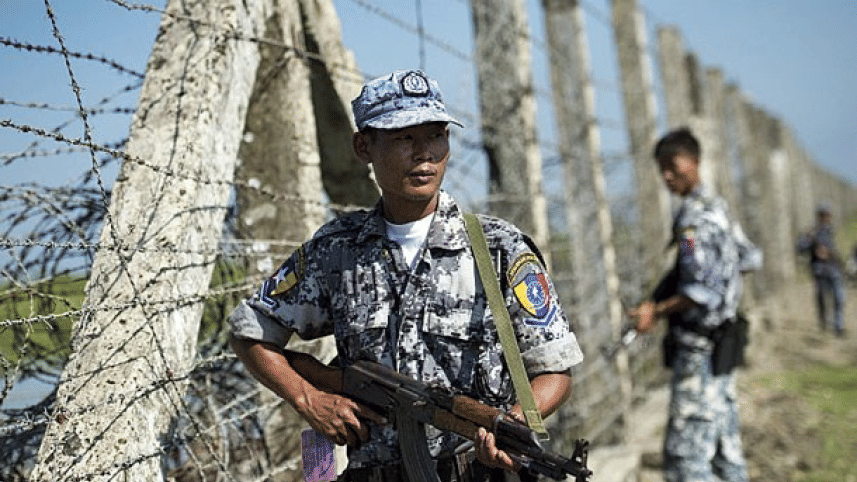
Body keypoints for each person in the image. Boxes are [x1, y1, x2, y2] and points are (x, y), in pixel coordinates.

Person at [228, 69, 584, 482]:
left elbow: (555, 368)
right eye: (403, 138)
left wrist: (515, 423)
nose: (425, 154)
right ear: (364, 146)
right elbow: (249, 332)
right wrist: (308, 397)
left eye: (436, 135)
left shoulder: (498, 249)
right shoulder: (336, 251)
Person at [628, 127, 760, 482]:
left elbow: (698, 290)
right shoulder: (718, 208)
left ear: (695, 162)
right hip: (723, 342)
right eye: (662, 169)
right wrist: (726, 289)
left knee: (686, 458)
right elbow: (748, 257)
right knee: (724, 450)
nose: (668, 176)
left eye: (674, 165)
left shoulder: (693, 220)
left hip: (700, 346)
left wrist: (653, 311)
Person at [797, 205, 846, 336]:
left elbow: (839, 250)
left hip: (834, 268)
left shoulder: (833, 231)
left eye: (828, 215)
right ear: (820, 216)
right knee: (822, 299)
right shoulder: (812, 231)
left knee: (839, 298)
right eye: (824, 214)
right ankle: (824, 322)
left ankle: (838, 326)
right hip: (819, 270)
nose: (827, 217)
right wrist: (812, 245)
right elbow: (801, 247)